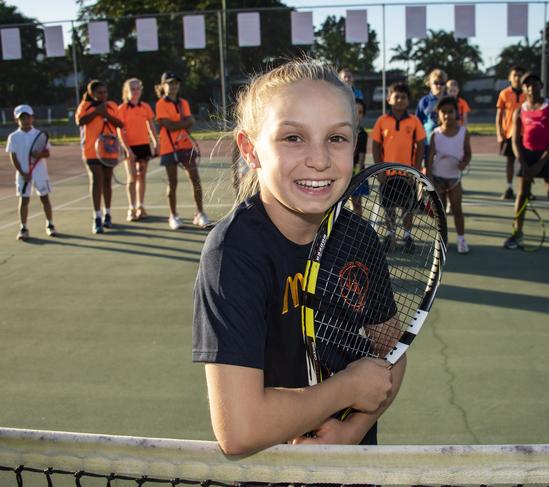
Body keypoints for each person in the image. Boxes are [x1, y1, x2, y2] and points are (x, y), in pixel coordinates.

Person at [193, 59, 403, 456]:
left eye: (337, 139)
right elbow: (240, 429)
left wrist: (351, 430)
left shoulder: (358, 238)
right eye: (293, 138)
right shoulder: (234, 255)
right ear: (250, 149)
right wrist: (345, 389)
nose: (320, 159)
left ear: (355, 144)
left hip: (354, 466)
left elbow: (391, 354)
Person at [503, 72, 549, 260]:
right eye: (527, 85)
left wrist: (540, 163)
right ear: (524, 88)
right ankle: (518, 233)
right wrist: (525, 164)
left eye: (535, 84)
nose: (531, 87)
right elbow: (516, 141)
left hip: (547, 156)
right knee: (522, 195)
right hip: (526, 156)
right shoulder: (520, 110)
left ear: (541, 86)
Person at [372, 82, 427, 252]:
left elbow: (420, 144)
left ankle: (407, 236)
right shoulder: (382, 121)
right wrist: (379, 170)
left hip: (407, 174)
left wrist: (415, 170)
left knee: (408, 207)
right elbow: (375, 146)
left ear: (408, 101)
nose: (400, 100)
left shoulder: (414, 121)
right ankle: (390, 235)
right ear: (389, 99)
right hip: (388, 175)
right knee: (389, 208)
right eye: (397, 96)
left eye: (404, 97)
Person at [155, 71, 210, 230]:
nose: (173, 86)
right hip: (168, 148)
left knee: (195, 179)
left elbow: (189, 122)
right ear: (163, 86)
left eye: (176, 83)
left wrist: (185, 122)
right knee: (172, 183)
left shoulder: (183, 102)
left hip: (186, 145)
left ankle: (200, 213)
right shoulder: (160, 104)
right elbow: (170, 125)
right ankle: (173, 216)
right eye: (170, 83)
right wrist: (185, 122)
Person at [75, 79, 124, 234]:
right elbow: (80, 121)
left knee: (107, 181)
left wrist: (106, 114)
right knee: (97, 180)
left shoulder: (112, 106)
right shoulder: (85, 106)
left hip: (108, 149)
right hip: (91, 150)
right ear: (92, 93)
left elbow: (120, 123)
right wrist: (96, 112)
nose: (103, 95)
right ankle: (96, 217)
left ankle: (107, 214)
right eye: (99, 93)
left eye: (105, 92)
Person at [426, 97, 471, 254]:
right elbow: (430, 158)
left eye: (450, 112)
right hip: (438, 179)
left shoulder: (464, 133)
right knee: (441, 212)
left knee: (457, 209)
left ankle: (461, 239)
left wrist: (464, 163)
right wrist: (429, 178)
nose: (447, 115)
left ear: (456, 113)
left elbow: (468, 154)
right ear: (438, 114)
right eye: (443, 112)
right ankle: (442, 240)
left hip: (454, 179)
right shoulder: (435, 135)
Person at [6, 104, 56, 240]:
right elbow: (13, 157)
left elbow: (47, 153)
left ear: (32, 118)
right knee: (24, 200)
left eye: (28, 117)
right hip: (23, 174)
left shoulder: (39, 134)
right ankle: (23, 227)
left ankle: (50, 225)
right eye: (22, 118)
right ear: (17, 120)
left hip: (40, 173)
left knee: (44, 198)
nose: (25, 120)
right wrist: (22, 173)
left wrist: (39, 154)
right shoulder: (13, 137)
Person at [117, 78, 159, 221]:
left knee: (142, 176)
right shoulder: (121, 109)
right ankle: (131, 208)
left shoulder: (145, 107)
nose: (135, 92)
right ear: (127, 91)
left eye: (137, 89)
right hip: (129, 146)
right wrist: (127, 149)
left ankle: (140, 206)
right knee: (132, 177)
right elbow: (120, 131)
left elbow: (151, 126)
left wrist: (155, 142)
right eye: (132, 89)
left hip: (143, 146)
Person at [496, 66, 525, 200]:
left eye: (520, 75)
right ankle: (509, 187)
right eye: (515, 75)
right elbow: (499, 116)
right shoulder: (504, 94)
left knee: (524, 161)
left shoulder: (528, 93)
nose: (517, 78)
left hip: (525, 134)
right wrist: (499, 134)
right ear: (510, 78)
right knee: (510, 161)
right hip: (509, 134)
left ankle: (525, 189)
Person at [416, 68, 447, 165]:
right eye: (436, 83)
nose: (439, 86)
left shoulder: (449, 100)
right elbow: (418, 122)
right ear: (430, 84)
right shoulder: (424, 101)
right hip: (428, 143)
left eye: (442, 83)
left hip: (446, 142)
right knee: (428, 170)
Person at [350, 98, 369, 216]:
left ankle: (356, 228)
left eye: (360, 112)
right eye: (354, 111)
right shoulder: (341, 131)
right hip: (341, 173)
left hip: (355, 173)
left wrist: (356, 173)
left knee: (357, 203)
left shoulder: (363, 134)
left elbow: (361, 156)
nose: (357, 115)